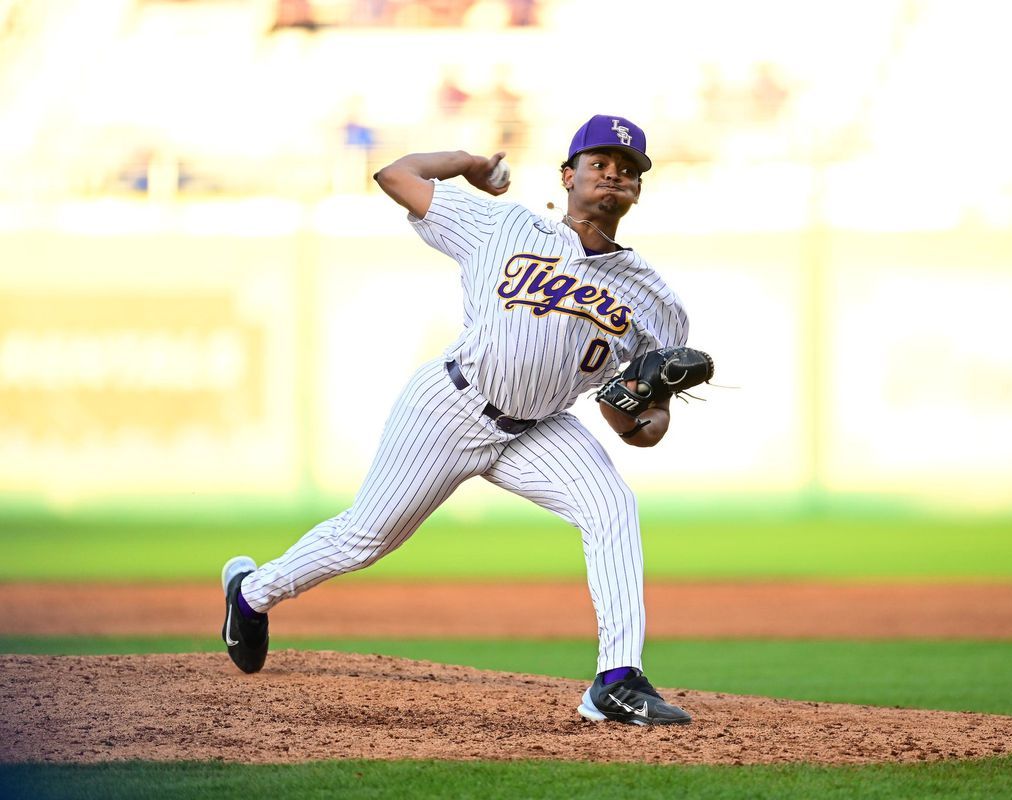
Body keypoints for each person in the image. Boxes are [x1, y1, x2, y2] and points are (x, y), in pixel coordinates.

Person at [220, 115, 695, 726]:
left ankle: (617, 679)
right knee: (364, 539)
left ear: (637, 191)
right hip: (451, 404)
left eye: (628, 170)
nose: (614, 175)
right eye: (600, 163)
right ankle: (253, 595)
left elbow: (634, 418)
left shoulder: (654, 299)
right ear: (568, 175)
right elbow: (397, 174)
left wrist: (644, 418)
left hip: (540, 427)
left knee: (612, 507)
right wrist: (471, 165)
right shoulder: (504, 223)